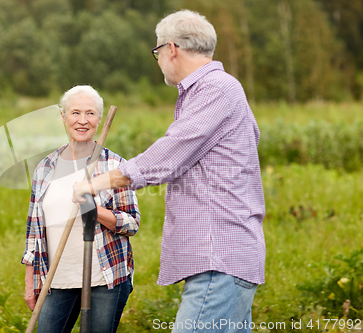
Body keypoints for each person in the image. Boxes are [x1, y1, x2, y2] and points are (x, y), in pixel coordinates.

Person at [73, 10, 265, 333]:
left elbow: (169, 154)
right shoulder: (212, 92)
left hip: (219, 259)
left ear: (171, 49)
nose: (159, 59)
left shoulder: (216, 90)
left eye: (157, 52)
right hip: (224, 262)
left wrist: (98, 182)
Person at [21, 85, 141, 333]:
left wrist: (94, 210)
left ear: (99, 118)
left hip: (105, 278)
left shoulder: (115, 166)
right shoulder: (46, 168)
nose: (82, 121)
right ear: (63, 117)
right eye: (75, 113)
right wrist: (30, 280)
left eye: (90, 113)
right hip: (57, 279)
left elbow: (132, 223)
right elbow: (34, 230)